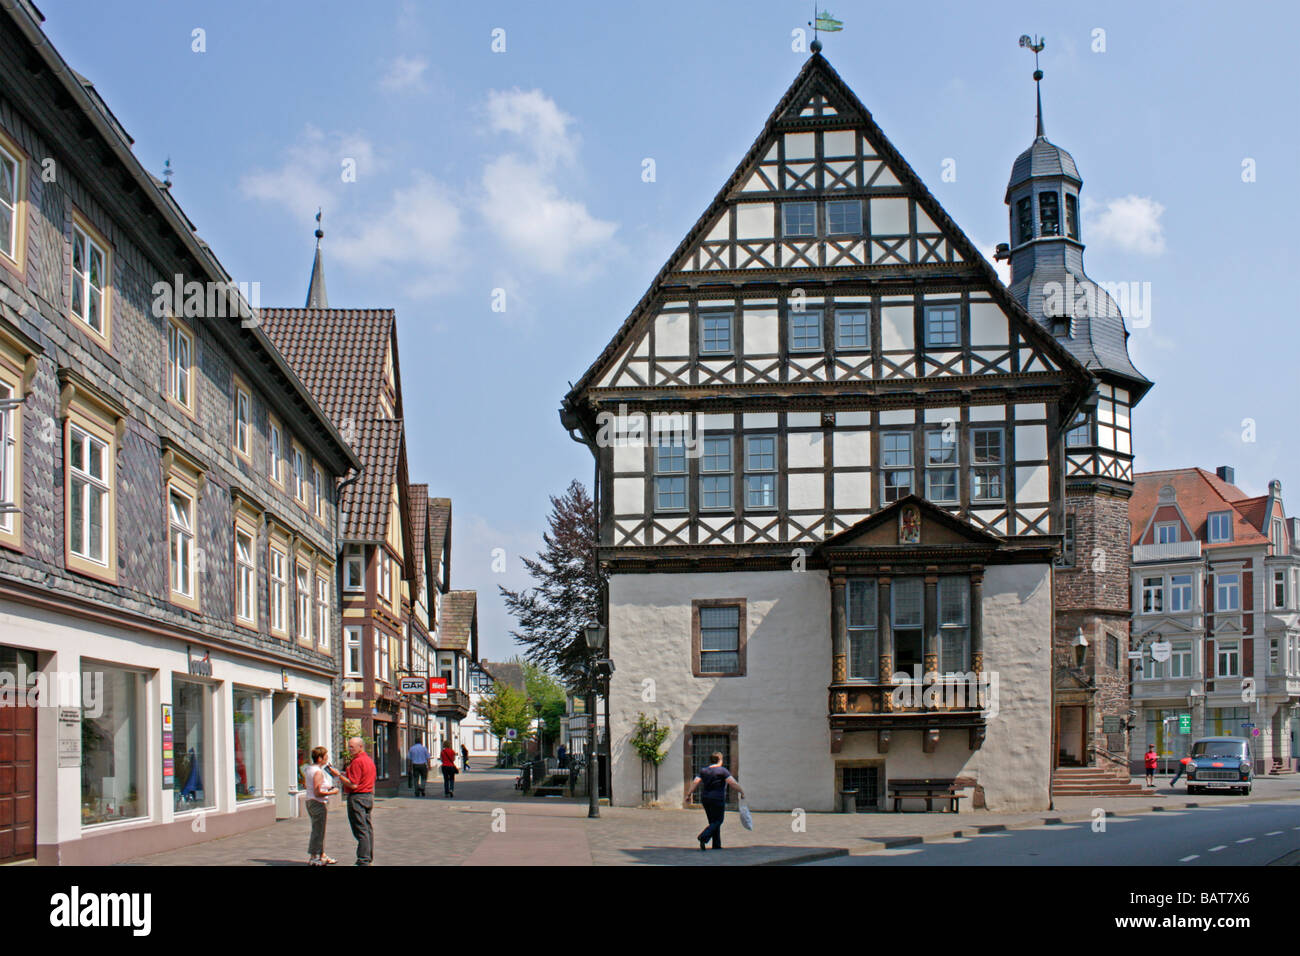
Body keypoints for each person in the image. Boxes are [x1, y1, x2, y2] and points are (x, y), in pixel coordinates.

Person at [329, 737, 376, 866]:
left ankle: (363, 859)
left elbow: (353, 784)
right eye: (349, 746)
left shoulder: (357, 762)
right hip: (367, 796)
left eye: (352, 747)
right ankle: (368, 857)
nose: (349, 749)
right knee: (367, 828)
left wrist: (338, 776)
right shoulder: (369, 761)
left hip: (357, 797)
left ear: (360, 747)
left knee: (360, 829)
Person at [684, 752, 744, 851]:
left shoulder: (704, 770)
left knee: (713, 821)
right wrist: (741, 791)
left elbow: (695, 782)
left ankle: (716, 845)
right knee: (718, 820)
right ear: (720, 760)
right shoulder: (722, 771)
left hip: (705, 798)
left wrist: (689, 794)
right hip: (717, 798)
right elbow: (732, 783)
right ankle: (703, 836)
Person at [303, 746, 339, 866]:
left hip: (310, 801)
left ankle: (321, 854)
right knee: (318, 830)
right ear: (319, 758)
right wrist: (332, 792)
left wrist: (327, 787)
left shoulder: (309, 769)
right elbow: (317, 792)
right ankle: (314, 856)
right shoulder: (317, 772)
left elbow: (307, 785)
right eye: (325, 757)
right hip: (317, 803)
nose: (327, 759)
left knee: (319, 829)